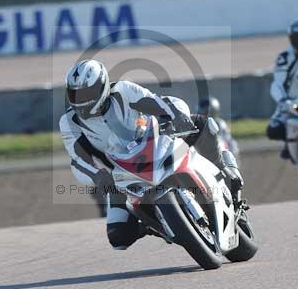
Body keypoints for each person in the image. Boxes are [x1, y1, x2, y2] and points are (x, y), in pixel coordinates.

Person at [59, 59, 244, 250]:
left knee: (204, 125)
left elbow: (157, 102)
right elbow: (78, 158)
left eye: (86, 93)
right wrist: (99, 176)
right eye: (75, 94)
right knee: (118, 237)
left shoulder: (123, 91)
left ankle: (226, 170)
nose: (81, 99)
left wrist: (177, 117)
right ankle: (159, 224)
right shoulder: (69, 122)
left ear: (102, 85)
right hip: (119, 174)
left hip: (153, 143)